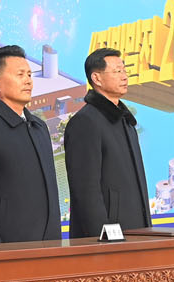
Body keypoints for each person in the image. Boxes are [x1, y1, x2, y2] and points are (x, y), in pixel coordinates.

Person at [0, 45, 61, 243]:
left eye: (30, 74)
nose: (28, 81)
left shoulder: (38, 126)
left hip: (50, 243)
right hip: (9, 246)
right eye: (20, 74)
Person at [63, 47, 151, 238]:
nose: (124, 76)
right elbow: (86, 190)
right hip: (107, 238)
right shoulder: (85, 122)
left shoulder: (125, 120)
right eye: (117, 71)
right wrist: (103, 236)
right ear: (97, 78)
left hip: (136, 232)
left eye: (125, 70)